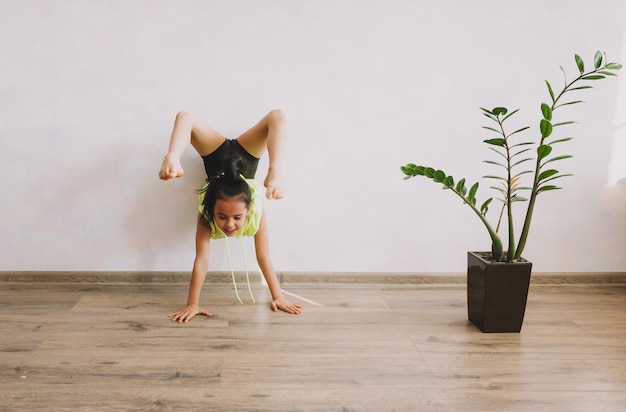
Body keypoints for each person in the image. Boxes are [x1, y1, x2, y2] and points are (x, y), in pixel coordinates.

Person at [159, 109, 302, 323]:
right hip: (247, 157)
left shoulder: (256, 214)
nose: (229, 225)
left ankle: (276, 169)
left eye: (237, 217)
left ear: (249, 210)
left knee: (279, 116)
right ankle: (172, 156)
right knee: (184, 117)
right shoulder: (206, 215)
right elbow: (201, 261)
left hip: (219, 157)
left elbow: (264, 258)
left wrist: (278, 297)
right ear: (211, 210)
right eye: (222, 216)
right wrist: (192, 304)